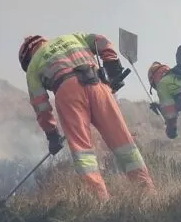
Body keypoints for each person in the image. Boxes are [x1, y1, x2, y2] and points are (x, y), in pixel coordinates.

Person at [18, 33, 155, 200]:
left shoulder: (33, 66)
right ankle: (147, 192)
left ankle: (100, 200)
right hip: (97, 85)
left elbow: (41, 106)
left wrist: (52, 134)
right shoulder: (73, 37)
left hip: (68, 93)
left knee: (83, 153)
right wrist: (112, 65)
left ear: (27, 58)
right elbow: (102, 41)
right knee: (123, 143)